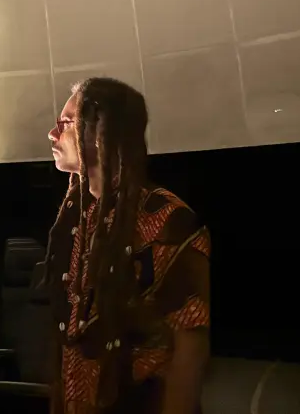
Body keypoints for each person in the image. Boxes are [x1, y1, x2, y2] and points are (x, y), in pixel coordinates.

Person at [41, 77, 211, 414]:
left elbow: (190, 344)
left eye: (66, 123)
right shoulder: (76, 218)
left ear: (101, 131)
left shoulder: (167, 220)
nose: (52, 133)